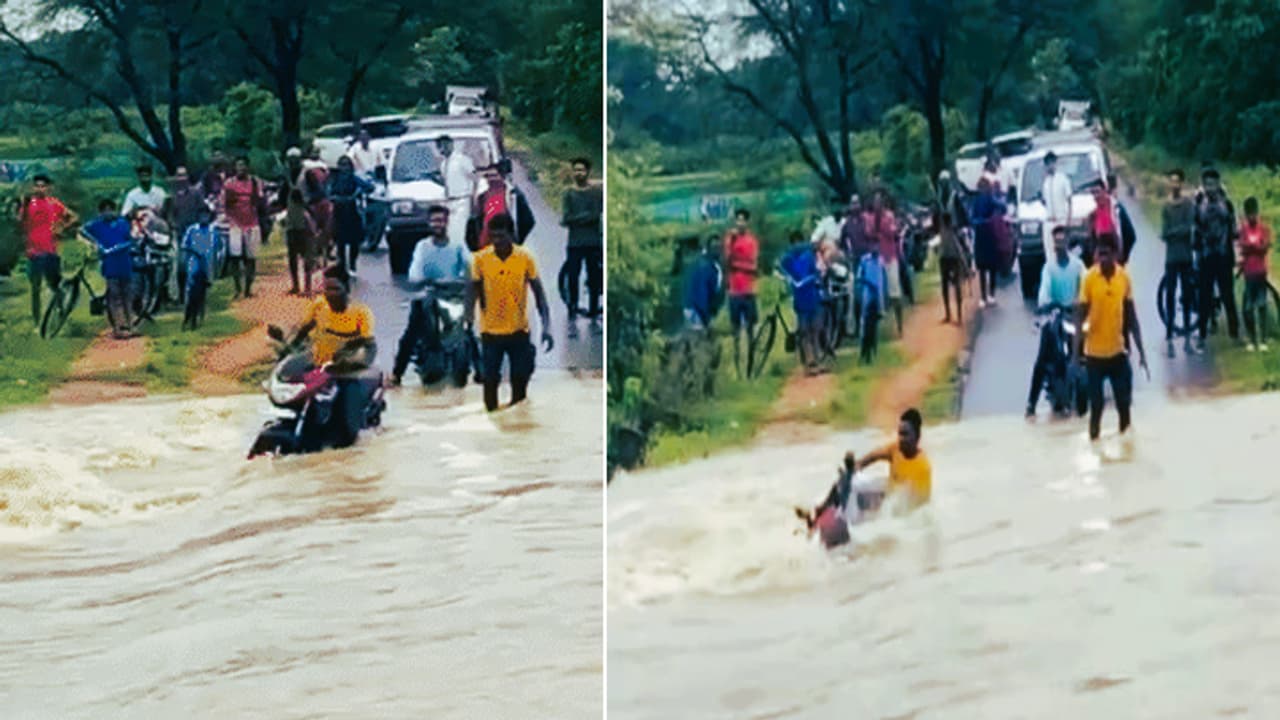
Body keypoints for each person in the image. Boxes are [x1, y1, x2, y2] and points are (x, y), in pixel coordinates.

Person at [466, 213, 554, 411]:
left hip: (518, 332)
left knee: (520, 386)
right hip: (490, 333)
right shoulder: (480, 260)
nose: (497, 241)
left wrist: (547, 327)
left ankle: (518, 427)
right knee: (489, 384)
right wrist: (467, 323)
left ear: (511, 235)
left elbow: (540, 295)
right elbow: (471, 293)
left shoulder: (525, 257)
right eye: (493, 236)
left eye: (501, 236)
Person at [294, 265, 377, 448]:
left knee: (347, 433)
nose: (330, 294)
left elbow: (369, 346)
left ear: (346, 289)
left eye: (335, 289)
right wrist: (289, 347)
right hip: (319, 371)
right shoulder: (318, 306)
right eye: (326, 289)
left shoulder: (361, 313)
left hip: (346, 374)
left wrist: (351, 361)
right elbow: (303, 330)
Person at [392, 205, 475, 386]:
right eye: (435, 220)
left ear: (447, 222)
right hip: (427, 295)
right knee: (410, 333)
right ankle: (397, 373)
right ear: (429, 223)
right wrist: (420, 280)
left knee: (468, 331)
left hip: (452, 295)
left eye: (441, 220)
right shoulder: (422, 247)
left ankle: (482, 372)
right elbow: (414, 272)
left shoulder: (457, 247)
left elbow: (469, 268)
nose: (438, 224)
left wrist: (467, 279)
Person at [1075, 235, 1148, 441]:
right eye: (1100, 254)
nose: (1104, 258)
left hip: (1117, 352)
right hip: (1094, 356)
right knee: (1096, 408)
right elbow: (1080, 316)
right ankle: (1094, 445)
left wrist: (1142, 352)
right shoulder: (1089, 279)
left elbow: (1132, 317)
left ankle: (1127, 447)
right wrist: (1075, 357)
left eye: (1108, 254)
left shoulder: (1123, 278)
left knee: (1124, 405)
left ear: (1116, 255)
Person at [1027, 226, 1085, 417]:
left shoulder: (1077, 266)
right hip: (1054, 315)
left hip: (1074, 315)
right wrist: (1047, 303)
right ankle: (1031, 403)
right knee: (1042, 358)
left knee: (1089, 351)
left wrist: (1081, 300)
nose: (1059, 245)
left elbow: (1086, 285)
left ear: (1068, 243)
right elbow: (1044, 290)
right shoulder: (1048, 268)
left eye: (1062, 241)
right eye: (1056, 242)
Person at [15, 174, 78, 326]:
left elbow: (73, 216)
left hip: (51, 249)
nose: (40, 188)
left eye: (43, 186)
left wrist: (61, 227)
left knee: (54, 284)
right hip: (33, 251)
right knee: (35, 288)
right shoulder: (29, 203)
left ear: (49, 188)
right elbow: (19, 221)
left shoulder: (54, 203)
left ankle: (61, 311)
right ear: (33, 187)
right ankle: (37, 322)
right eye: (37, 186)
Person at [854, 408, 932, 512]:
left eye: (905, 434)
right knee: (854, 488)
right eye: (899, 433)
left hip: (901, 510)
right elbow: (874, 456)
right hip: (888, 497)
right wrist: (858, 466)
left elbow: (919, 506)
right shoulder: (895, 449)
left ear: (917, 436)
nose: (901, 438)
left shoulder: (923, 468)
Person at [1194, 168, 1240, 347]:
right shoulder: (1199, 203)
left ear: (1218, 184)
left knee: (1228, 295)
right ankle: (1202, 335)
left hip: (1223, 256)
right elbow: (1195, 228)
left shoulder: (1227, 204)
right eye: (1207, 184)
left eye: (1213, 184)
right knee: (1204, 297)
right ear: (1203, 185)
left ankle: (1234, 334)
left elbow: (1234, 229)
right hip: (1206, 257)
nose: (1210, 188)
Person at [79, 198, 134, 338]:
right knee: (113, 295)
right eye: (105, 210)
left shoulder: (122, 223)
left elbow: (130, 239)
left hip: (125, 263)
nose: (108, 213)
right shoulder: (97, 225)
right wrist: (96, 244)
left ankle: (130, 325)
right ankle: (117, 327)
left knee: (127, 295)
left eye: (111, 209)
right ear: (100, 212)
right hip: (109, 264)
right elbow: (82, 230)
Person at [561, 157, 603, 333]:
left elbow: (596, 214)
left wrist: (578, 219)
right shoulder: (568, 193)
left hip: (593, 242)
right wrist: (584, 218)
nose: (579, 173)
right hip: (575, 243)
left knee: (594, 277)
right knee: (573, 277)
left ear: (588, 172)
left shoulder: (596, 193)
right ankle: (572, 307)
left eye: (582, 170)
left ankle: (594, 309)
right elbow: (566, 218)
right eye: (576, 170)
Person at [1160, 168, 1197, 357]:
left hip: (1185, 256)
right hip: (1172, 257)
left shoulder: (1188, 204)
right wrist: (1178, 232)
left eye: (1177, 181)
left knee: (1188, 295)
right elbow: (1164, 234)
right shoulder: (1166, 207)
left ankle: (1188, 336)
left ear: (1182, 183)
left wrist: (1175, 232)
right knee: (1170, 295)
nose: (1174, 185)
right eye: (1171, 181)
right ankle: (1169, 336)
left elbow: (1188, 228)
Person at [221, 155, 266, 298]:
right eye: (238, 165)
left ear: (247, 167)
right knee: (235, 257)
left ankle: (248, 288)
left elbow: (260, 201)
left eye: (243, 165)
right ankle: (237, 288)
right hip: (235, 223)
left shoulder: (255, 182)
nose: (241, 168)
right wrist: (230, 220)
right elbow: (225, 204)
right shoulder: (229, 184)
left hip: (252, 223)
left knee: (251, 257)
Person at [779, 230, 823, 375]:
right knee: (804, 331)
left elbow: (816, 272)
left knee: (814, 330)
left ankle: (816, 360)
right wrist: (788, 280)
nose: (798, 245)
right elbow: (780, 270)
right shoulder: (788, 259)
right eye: (795, 242)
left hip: (811, 295)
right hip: (801, 297)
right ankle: (808, 364)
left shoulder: (807, 256)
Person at [723, 209, 760, 364]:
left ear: (747, 222)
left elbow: (753, 266)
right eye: (738, 220)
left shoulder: (752, 241)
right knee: (735, 330)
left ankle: (751, 361)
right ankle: (738, 361)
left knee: (751, 328)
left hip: (748, 289)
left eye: (743, 220)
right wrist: (731, 244)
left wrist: (736, 266)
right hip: (734, 291)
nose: (740, 223)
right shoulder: (729, 240)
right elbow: (726, 262)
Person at [326, 155, 374, 276]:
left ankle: (352, 265)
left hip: (353, 212)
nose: (344, 168)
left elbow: (369, 187)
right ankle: (342, 266)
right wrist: (334, 198)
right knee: (340, 242)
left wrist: (359, 192)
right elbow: (327, 192)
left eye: (346, 165)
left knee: (355, 242)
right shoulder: (334, 180)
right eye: (342, 165)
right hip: (339, 213)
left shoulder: (354, 179)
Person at [863, 190, 903, 334]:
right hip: (877, 259)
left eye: (879, 202)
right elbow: (868, 234)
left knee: (895, 292)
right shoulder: (870, 219)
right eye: (875, 202)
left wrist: (881, 231)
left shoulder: (889, 217)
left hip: (890, 256)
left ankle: (900, 325)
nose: (877, 205)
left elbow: (893, 232)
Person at [472, 162, 535, 250]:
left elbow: (528, 221)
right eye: (488, 176)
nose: (491, 179)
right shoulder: (482, 197)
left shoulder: (513, 195)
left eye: (494, 175)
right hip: (485, 247)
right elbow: (475, 222)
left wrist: (517, 240)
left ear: (502, 176)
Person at [1238, 196, 1272, 352]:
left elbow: (1264, 247)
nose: (1251, 216)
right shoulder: (1243, 230)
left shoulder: (1264, 229)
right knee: (1248, 306)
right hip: (1248, 271)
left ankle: (1263, 338)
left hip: (1260, 270)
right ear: (1246, 214)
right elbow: (1243, 247)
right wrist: (1255, 247)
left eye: (1253, 213)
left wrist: (1253, 247)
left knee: (1262, 304)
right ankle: (1252, 338)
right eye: (1249, 213)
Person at [180, 204, 220, 329]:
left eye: (206, 215)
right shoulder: (192, 229)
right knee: (191, 293)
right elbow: (184, 246)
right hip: (194, 264)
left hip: (207, 265)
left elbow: (218, 249)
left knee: (203, 293)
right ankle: (188, 318)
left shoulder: (213, 231)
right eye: (201, 215)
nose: (204, 217)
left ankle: (198, 317)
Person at [970, 177, 1004, 307]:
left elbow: (1002, 207)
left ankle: (989, 295)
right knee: (984, 268)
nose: (983, 189)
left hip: (987, 234)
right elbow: (972, 218)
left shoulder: (988, 199)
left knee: (990, 268)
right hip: (984, 235)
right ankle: (986, 296)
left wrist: (983, 221)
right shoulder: (979, 201)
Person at [438, 135, 476, 248]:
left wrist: (474, 198)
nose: (443, 148)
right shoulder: (443, 164)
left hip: (462, 200)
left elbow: (475, 178)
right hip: (449, 202)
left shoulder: (462, 160)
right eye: (440, 146)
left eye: (446, 145)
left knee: (458, 234)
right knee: (449, 234)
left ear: (451, 144)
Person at [682, 235, 723, 330]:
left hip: (695, 308)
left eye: (718, 247)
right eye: (714, 247)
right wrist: (706, 318)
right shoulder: (705, 266)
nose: (717, 250)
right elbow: (701, 295)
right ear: (708, 248)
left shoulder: (712, 265)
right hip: (696, 311)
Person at [937, 211, 970, 325]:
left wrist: (965, 266)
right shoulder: (950, 231)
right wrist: (965, 266)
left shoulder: (950, 231)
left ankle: (952, 315)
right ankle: (953, 315)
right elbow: (960, 250)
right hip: (950, 259)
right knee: (953, 287)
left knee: (950, 287)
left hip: (950, 259)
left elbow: (959, 249)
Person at [283, 188, 318, 296]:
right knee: (296, 259)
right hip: (295, 230)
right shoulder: (291, 193)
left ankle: (304, 288)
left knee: (302, 259)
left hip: (301, 230)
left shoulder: (300, 194)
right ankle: (300, 287)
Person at [1040, 152, 1073, 259]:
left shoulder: (1063, 179)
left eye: (1052, 163)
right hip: (1049, 221)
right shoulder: (1045, 182)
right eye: (1047, 164)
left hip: (1061, 219)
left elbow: (1069, 200)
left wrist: (1068, 221)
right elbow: (1046, 202)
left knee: (1063, 249)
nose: (1050, 166)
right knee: (1049, 252)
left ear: (1055, 163)